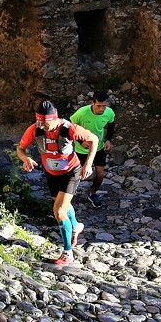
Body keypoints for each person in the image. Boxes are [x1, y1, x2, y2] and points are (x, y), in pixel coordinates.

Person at [16, 100, 98, 266]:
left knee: (59, 211)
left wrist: (88, 164)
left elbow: (94, 140)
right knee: (62, 205)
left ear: (55, 119)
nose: (42, 126)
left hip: (71, 172)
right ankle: (75, 226)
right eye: (40, 122)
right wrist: (26, 159)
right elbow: (20, 148)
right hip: (51, 173)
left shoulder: (69, 128)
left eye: (46, 123)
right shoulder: (34, 129)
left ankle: (68, 253)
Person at [71, 89, 117, 209]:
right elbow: (70, 127)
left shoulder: (109, 112)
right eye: (98, 106)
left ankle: (92, 193)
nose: (101, 109)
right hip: (82, 150)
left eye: (104, 106)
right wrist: (81, 141)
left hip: (98, 148)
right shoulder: (82, 112)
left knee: (100, 174)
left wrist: (108, 140)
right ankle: (66, 196)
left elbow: (111, 125)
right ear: (93, 103)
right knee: (76, 175)